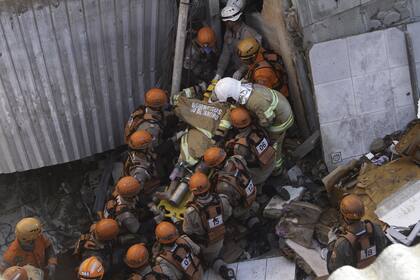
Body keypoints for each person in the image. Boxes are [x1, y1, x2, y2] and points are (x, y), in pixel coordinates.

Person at [213, 78, 293, 174]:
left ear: (231, 97)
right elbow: (232, 111)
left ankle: (277, 169)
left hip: (280, 121)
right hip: (278, 108)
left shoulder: (256, 103)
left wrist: (251, 127)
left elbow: (268, 120)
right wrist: (220, 131)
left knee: (272, 146)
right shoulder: (241, 89)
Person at [182, 172, 235, 280]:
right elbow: (228, 214)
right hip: (221, 235)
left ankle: (223, 270)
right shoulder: (222, 200)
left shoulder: (190, 212)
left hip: (207, 246)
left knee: (211, 260)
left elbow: (187, 231)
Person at [327, 194, 388, 273]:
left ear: (344, 216)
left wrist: (331, 243)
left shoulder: (342, 243)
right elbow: (383, 248)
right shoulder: (375, 228)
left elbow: (333, 270)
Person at [202, 147, 259, 230]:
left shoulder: (222, 186)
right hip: (252, 191)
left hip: (242, 205)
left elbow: (227, 207)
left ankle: (245, 218)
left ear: (217, 165)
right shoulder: (237, 159)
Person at [225, 107, 275, 184]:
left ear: (234, 124)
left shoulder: (240, 145)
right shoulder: (259, 128)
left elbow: (240, 164)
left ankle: (259, 189)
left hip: (259, 175)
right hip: (272, 163)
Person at [214, 4, 261, 80]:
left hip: (250, 71)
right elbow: (225, 54)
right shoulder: (229, 33)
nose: (225, 24)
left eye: (226, 22)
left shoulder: (248, 34)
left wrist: (241, 71)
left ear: (231, 22)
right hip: (236, 68)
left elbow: (253, 58)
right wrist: (219, 73)